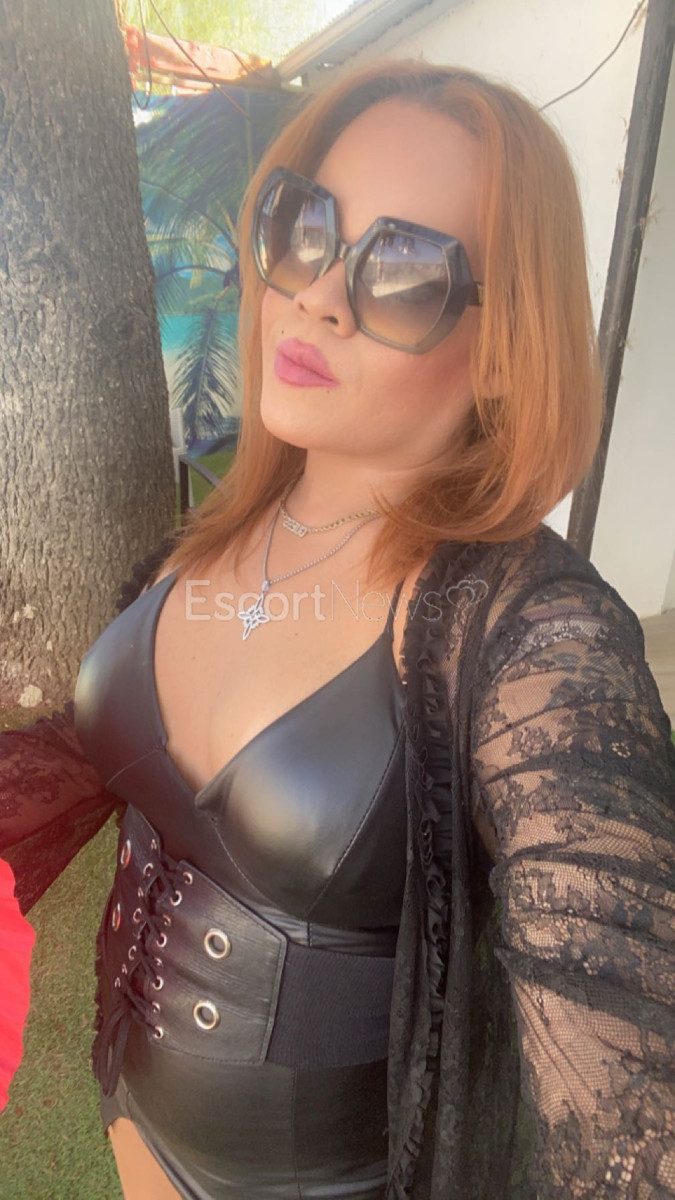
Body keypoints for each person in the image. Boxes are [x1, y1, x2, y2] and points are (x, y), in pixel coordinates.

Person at [1, 56, 674, 1200]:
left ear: (505, 349)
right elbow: (88, 754)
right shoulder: (207, 537)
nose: (317, 293)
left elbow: (623, 1081)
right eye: (304, 227)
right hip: (129, 1119)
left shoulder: (534, 641)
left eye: (403, 271)